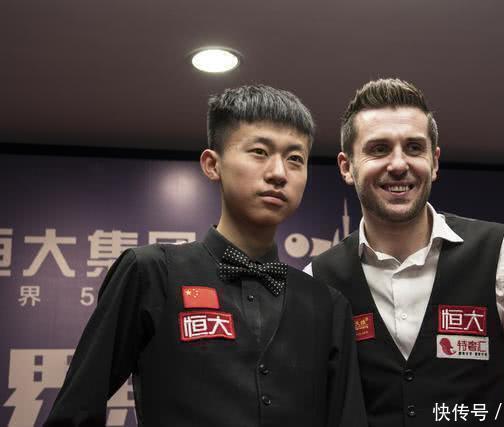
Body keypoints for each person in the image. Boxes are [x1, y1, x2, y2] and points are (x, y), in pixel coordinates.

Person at [45, 85, 367, 427]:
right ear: (213, 165)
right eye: (259, 152)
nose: (278, 173)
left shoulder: (327, 303)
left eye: (295, 159)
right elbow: (74, 412)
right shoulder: (152, 272)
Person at [305, 78, 504, 426]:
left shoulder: (502, 250)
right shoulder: (318, 279)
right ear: (347, 167)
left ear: (434, 162)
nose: (398, 164)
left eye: (414, 147)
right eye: (379, 149)